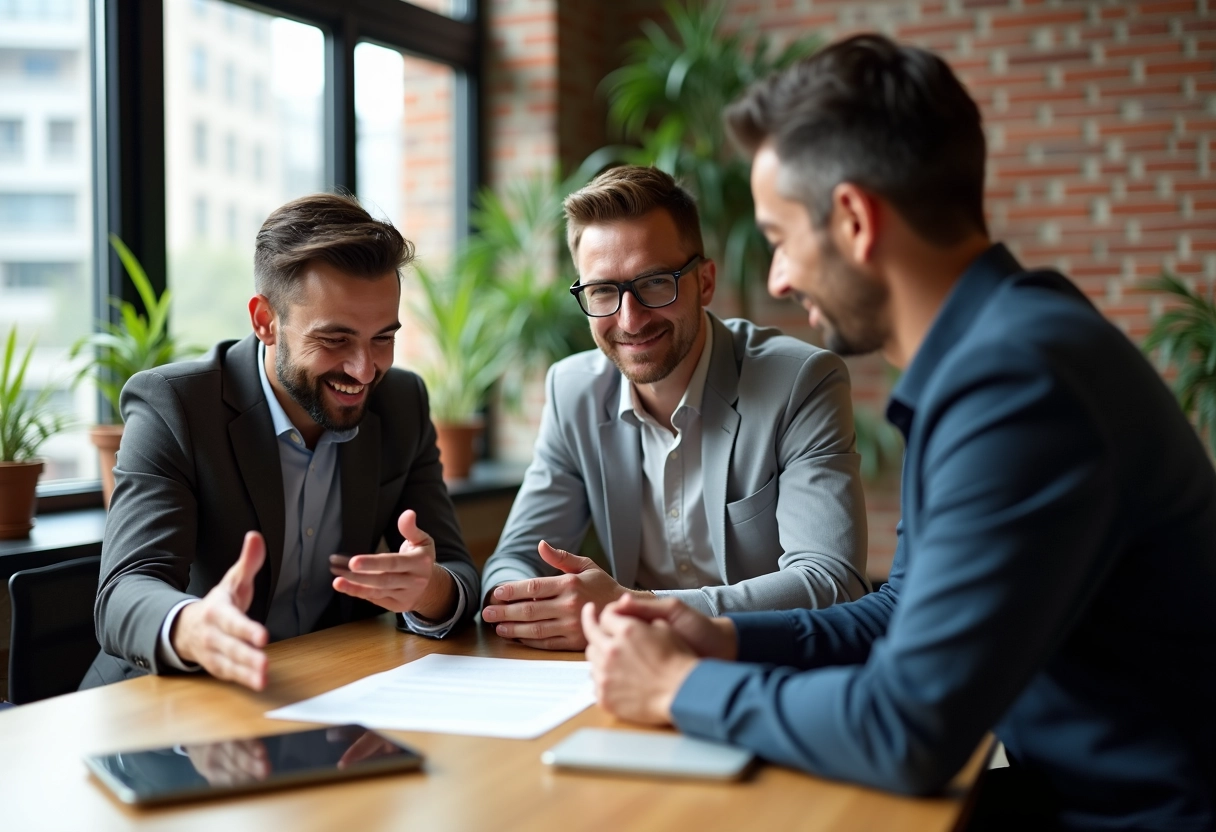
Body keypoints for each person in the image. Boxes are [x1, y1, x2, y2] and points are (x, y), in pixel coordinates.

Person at [580, 35, 1216, 831]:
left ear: (852, 219)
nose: (775, 278)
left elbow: (907, 729)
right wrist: (721, 637)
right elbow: (900, 611)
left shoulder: (1015, 382)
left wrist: (675, 688)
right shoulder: (1005, 344)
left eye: (778, 238)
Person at [82, 193, 479, 691]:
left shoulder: (401, 402)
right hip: (166, 699)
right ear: (265, 322)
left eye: (383, 337)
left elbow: (456, 571)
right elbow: (122, 592)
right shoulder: (175, 406)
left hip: (323, 692)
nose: (363, 369)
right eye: (335, 339)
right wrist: (194, 626)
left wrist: (430, 590)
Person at [480, 165, 868, 651]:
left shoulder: (801, 382)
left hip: (762, 666)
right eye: (603, 290)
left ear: (704, 283)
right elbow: (515, 557)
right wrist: (523, 598)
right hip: (629, 673)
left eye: (655, 283)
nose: (630, 318)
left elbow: (831, 582)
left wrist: (632, 608)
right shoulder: (572, 390)